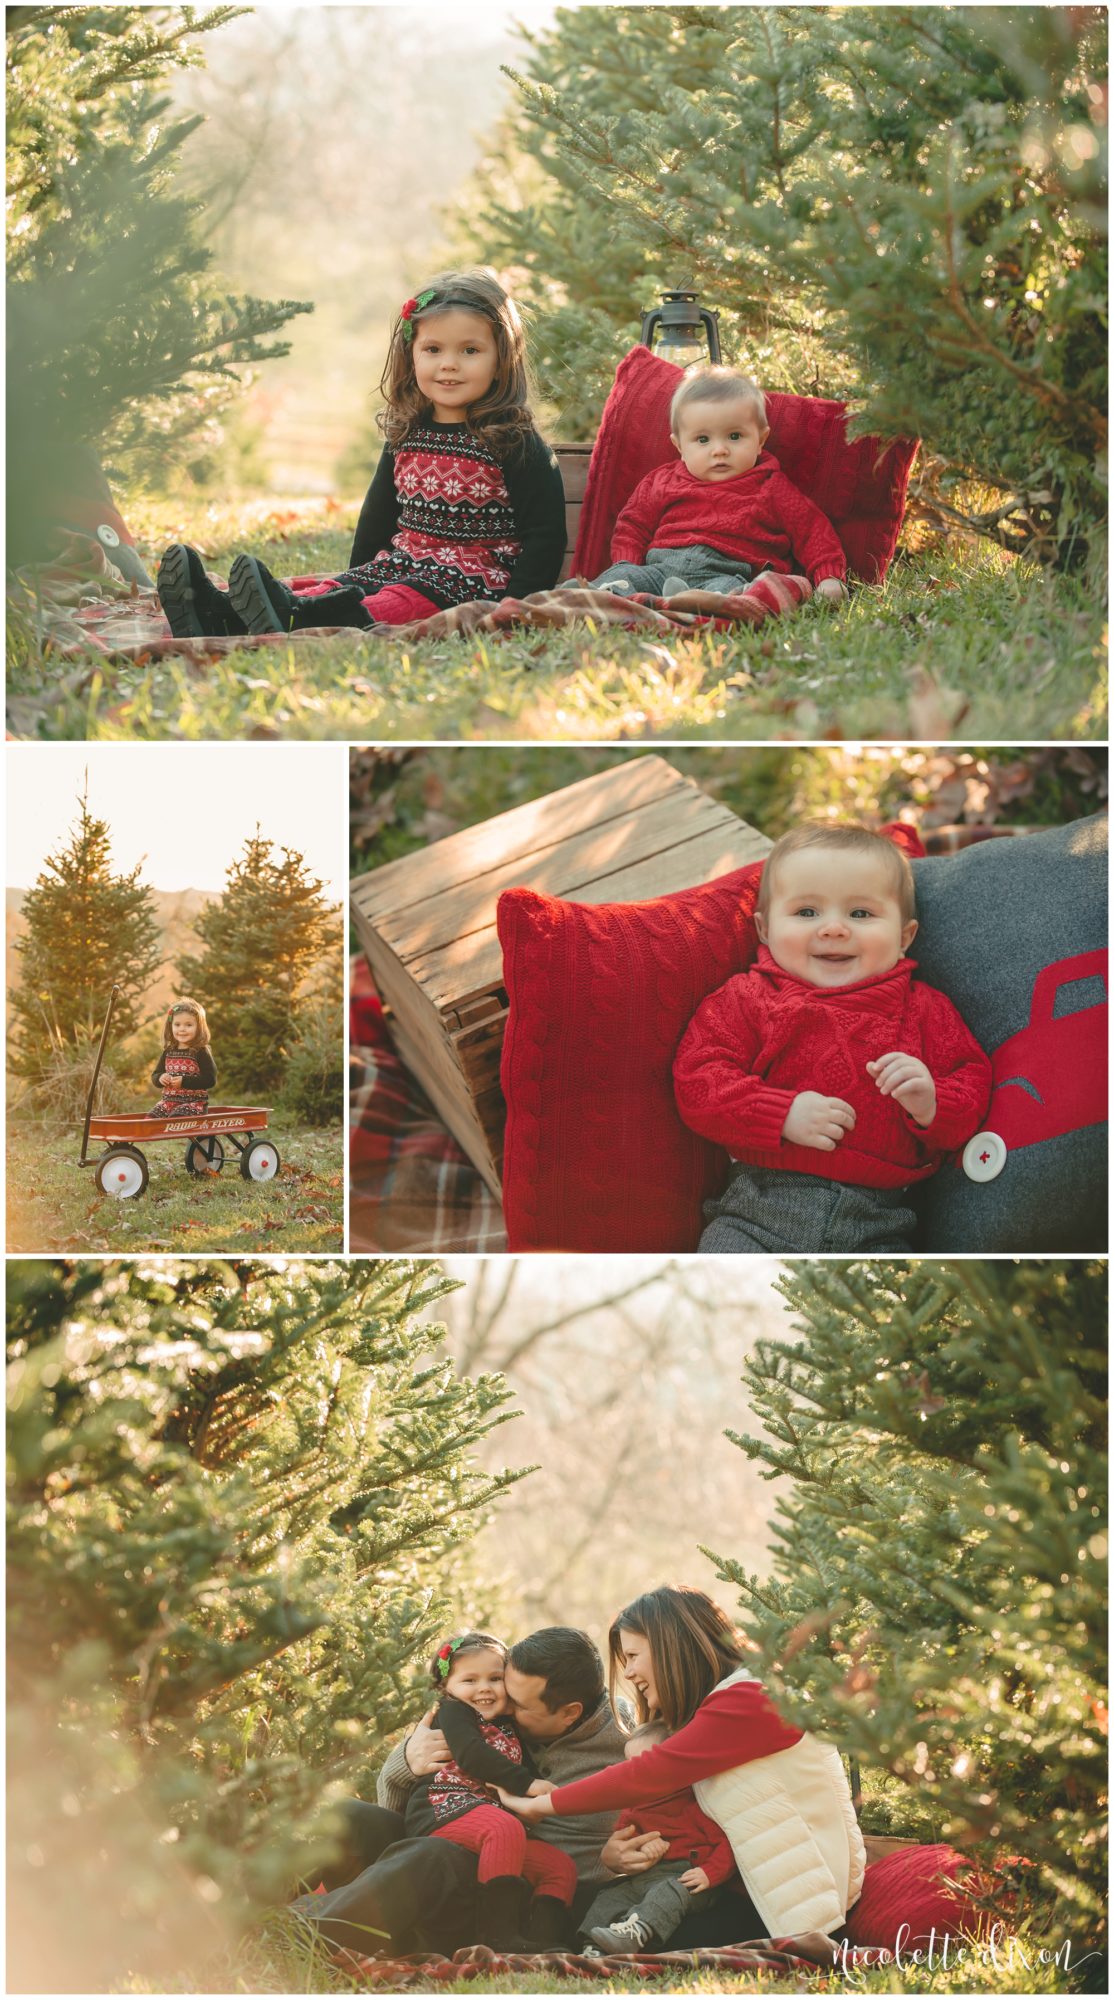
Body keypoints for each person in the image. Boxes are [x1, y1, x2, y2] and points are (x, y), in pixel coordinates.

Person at [291, 1626, 756, 1957]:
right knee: (354, 1817)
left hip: (516, 1896)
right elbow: (408, 1802)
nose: (499, 1704)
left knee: (431, 1857)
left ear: (569, 1712)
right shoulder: (497, 1713)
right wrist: (406, 1761)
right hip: (458, 1829)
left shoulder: (629, 1753)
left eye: (517, 1702)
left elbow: (662, 1846)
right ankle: (258, 1906)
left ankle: (306, 1934)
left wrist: (610, 1862)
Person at [156, 269, 567, 638]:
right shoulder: (408, 432)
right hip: (405, 560)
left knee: (396, 602)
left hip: (469, 579)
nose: (450, 365)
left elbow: (545, 536)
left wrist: (512, 610)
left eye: (470, 351)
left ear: (502, 360)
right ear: (412, 354)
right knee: (337, 590)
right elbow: (378, 515)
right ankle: (219, 612)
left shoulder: (513, 440)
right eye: (434, 350)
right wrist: (355, 577)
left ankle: (298, 616)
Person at [672, 823, 992, 1253]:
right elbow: (698, 1080)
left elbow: (972, 1081)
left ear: (904, 937)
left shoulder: (924, 1010)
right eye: (807, 912)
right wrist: (780, 1113)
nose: (834, 928)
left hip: (880, 1224)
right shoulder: (749, 999)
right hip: (757, 1211)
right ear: (764, 930)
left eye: (861, 914)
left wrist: (932, 1102)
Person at [495, 1586, 866, 1946]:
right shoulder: (724, 1702)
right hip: (742, 1886)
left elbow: (649, 1774)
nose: (628, 1673)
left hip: (792, 1903)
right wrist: (616, 1857)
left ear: (672, 1645)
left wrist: (542, 1804)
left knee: (623, 1931)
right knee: (590, 1912)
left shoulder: (752, 1698)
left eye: (634, 1656)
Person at [590, 365, 847, 602]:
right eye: (703, 440)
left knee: (737, 596)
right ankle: (591, 599)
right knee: (622, 580)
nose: (720, 450)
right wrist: (627, 564)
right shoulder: (662, 481)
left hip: (729, 573)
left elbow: (813, 532)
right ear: (679, 446)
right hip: (660, 570)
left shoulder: (772, 488)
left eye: (734, 436)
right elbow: (632, 525)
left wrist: (829, 577)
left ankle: (689, 605)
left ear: (760, 440)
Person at [402, 1630, 576, 1950]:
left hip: (490, 1824)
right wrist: (526, 1785)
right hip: (442, 1808)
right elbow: (471, 1754)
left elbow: (524, 1766)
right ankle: (499, 1938)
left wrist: (535, 1801)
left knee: (559, 1866)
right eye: (469, 1680)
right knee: (506, 1828)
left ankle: (539, 1944)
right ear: (445, 1688)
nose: (484, 1688)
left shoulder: (510, 1726)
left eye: (495, 1678)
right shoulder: (453, 1712)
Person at [576, 1720, 735, 1956]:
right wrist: (642, 1850)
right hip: (644, 1878)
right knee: (609, 1897)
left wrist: (709, 1873)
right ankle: (592, 1946)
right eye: (630, 1765)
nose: (634, 1773)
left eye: (645, 1764)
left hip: (688, 1879)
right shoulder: (634, 1808)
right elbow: (624, 1845)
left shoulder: (693, 1804)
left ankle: (636, 1933)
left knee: (667, 1892)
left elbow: (727, 1846)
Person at [150, 1000, 216, 1118]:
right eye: (177, 1024)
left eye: (188, 1025)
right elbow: (155, 1074)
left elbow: (210, 1079)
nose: (182, 1029)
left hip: (194, 1103)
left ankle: (203, 1136)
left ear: (199, 1027)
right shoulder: (168, 1051)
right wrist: (160, 1078)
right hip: (168, 1102)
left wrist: (184, 1081)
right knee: (152, 1118)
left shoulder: (200, 1051)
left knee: (178, 1117)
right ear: (171, 1026)